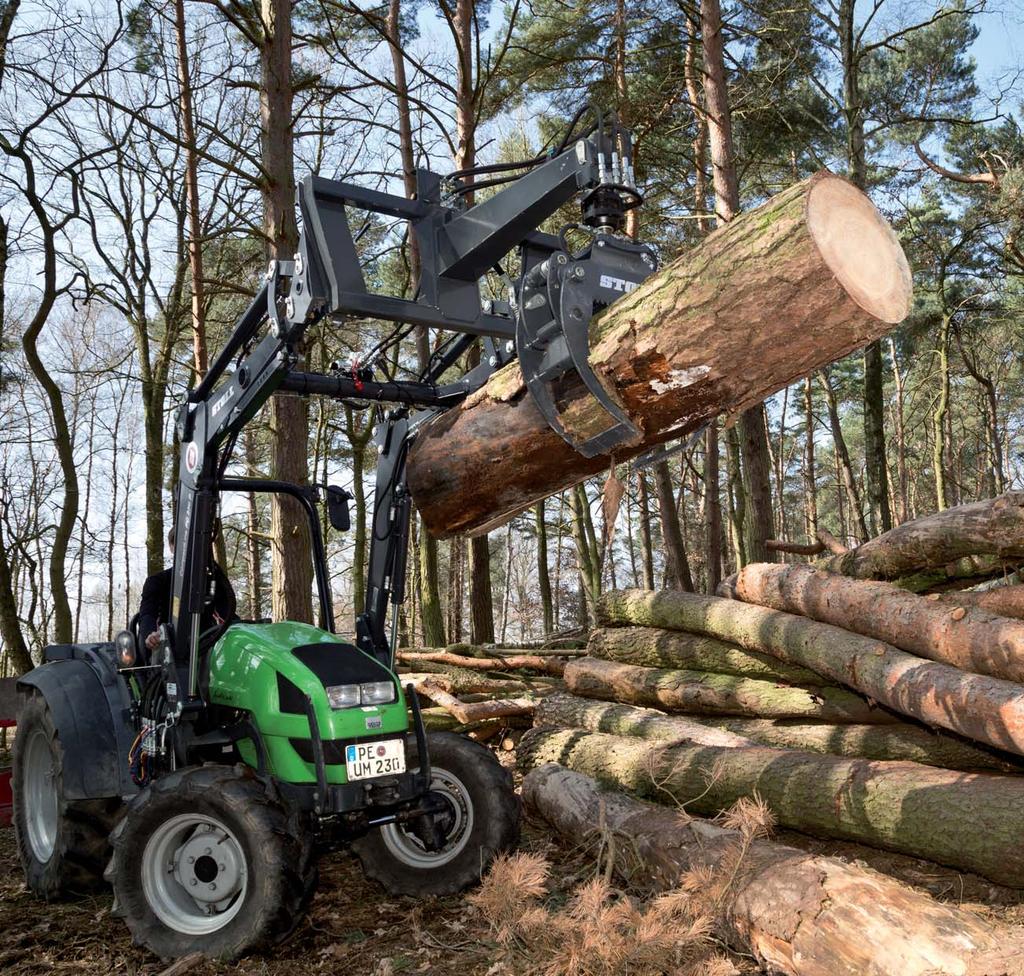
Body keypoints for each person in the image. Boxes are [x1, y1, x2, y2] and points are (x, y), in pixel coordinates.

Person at [138, 524, 235, 652]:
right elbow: (148, 615)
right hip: (168, 652)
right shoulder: (157, 582)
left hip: (208, 648)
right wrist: (151, 635)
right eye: (180, 543)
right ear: (172, 547)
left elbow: (226, 614)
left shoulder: (213, 580)